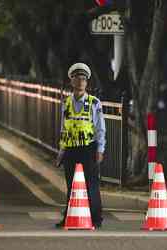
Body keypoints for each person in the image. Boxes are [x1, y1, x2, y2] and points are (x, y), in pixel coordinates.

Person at [55, 62, 106, 229]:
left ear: (87, 83)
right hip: (70, 149)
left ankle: (96, 218)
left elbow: (100, 129)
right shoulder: (66, 103)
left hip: (88, 149)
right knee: (71, 185)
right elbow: (64, 127)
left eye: (84, 79)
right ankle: (69, 217)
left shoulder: (94, 103)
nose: (81, 81)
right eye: (77, 78)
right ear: (72, 81)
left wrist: (100, 149)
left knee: (91, 184)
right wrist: (61, 150)